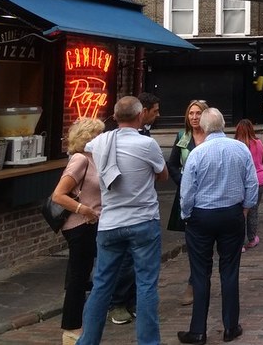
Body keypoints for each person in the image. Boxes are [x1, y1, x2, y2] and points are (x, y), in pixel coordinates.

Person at [77, 96, 168, 345]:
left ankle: (88, 341)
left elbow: (84, 148)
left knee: (102, 285)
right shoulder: (147, 145)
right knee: (146, 284)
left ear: (115, 118)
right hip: (142, 220)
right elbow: (163, 175)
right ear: (140, 117)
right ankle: (148, 342)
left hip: (110, 222)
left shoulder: (99, 142)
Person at [178, 107, 258, 344]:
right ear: (224, 125)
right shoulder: (240, 149)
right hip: (232, 214)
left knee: (200, 273)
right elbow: (251, 184)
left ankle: (198, 331)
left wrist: (186, 215)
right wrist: (244, 210)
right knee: (230, 271)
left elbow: (187, 191)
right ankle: (230, 327)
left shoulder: (197, 153)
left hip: (201, 217)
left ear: (202, 127)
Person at [53, 118, 104, 345]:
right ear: (88, 137)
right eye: (99, 134)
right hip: (79, 225)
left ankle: (81, 321)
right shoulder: (80, 159)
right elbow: (59, 195)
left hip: (93, 225)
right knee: (78, 276)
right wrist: (85, 211)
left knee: (85, 274)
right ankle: (72, 328)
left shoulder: (96, 158)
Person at [167, 99, 209, 306]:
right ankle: (194, 284)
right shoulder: (182, 137)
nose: (194, 117)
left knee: (205, 244)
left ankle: (198, 281)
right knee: (193, 244)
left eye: (198, 113)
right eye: (191, 113)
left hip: (209, 196)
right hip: (187, 196)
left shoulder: (212, 137)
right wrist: (183, 182)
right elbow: (172, 164)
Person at [234, 118, 263, 252]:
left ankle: (240, 243)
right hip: (260, 180)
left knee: (241, 212)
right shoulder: (258, 142)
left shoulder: (236, 145)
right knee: (253, 211)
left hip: (242, 182)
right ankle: (252, 238)